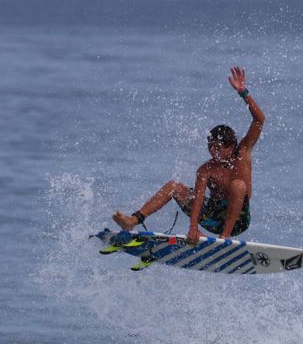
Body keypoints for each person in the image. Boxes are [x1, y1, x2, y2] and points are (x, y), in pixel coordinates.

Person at [112, 66, 264, 244]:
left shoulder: (243, 153)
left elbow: (259, 119)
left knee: (238, 185)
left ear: (231, 147)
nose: (212, 152)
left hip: (238, 220)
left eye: (217, 148)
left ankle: (224, 238)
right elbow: (199, 198)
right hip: (212, 218)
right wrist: (193, 228)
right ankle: (133, 220)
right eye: (210, 147)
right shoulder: (206, 169)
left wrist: (243, 92)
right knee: (173, 186)